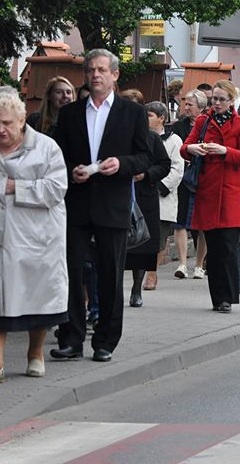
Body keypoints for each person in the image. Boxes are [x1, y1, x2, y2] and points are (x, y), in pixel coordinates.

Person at [0, 92, 69, 385]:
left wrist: (16, 187)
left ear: (21, 120)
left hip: (37, 235)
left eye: (6, 123)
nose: (0, 130)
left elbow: (57, 188)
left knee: (36, 295)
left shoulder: (46, 147)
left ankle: (35, 353)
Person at [51, 49, 151, 363]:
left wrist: (121, 164)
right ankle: (71, 338)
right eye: (91, 70)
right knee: (70, 271)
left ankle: (106, 340)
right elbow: (58, 156)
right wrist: (71, 171)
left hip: (112, 202)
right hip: (77, 202)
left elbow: (145, 157)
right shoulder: (70, 113)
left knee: (110, 273)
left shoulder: (132, 112)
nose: (95, 75)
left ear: (114, 75)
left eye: (102, 70)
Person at [181, 80, 240, 313]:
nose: (217, 103)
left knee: (228, 247)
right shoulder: (203, 121)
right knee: (213, 248)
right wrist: (192, 149)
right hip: (208, 190)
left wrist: (225, 151)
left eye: (222, 99)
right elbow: (185, 147)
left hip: (232, 192)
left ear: (232, 101)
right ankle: (217, 298)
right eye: (215, 99)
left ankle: (228, 297)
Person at [119, 90, 170, 309]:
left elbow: (164, 164)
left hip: (144, 196)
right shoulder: (115, 134)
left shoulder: (151, 137)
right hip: (118, 195)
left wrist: (146, 174)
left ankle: (136, 288)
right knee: (117, 246)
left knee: (142, 247)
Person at [143, 101, 184, 293]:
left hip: (162, 196)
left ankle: (152, 272)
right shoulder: (140, 136)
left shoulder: (174, 140)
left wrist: (159, 185)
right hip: (142, 193)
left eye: (150, 115)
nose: (146, 119)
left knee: (158, 239)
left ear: (161, 118)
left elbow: (177, 169)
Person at [170, 89, 208, 280]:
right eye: (185, 104)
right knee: (181, 221)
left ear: (201, 107)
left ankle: (199, 265)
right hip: (183, 179)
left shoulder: (209, 125)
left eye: (190, 105)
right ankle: (183, 264)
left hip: (203, 178)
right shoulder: (178, 126)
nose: (186, 107)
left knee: (203, 223)